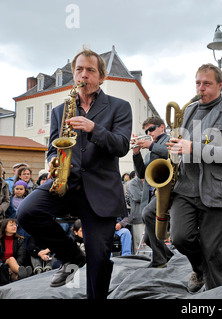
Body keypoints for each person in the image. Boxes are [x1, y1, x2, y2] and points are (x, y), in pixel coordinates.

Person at [17, 48, 132, 299]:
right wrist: (53, 164)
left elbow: (122, 145)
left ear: (102, 77)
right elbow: (51, 148)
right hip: (66, 183)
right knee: (27, 212)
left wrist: (94, 128)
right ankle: (71, 255)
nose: (84, 75)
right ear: (73, 73)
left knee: (99, 258)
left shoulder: (120, 107)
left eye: (90, 70)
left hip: (100, 189)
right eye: (79, 69)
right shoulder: (61, 110)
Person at [167, 63, 222, 292]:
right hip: (185, 188)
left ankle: (216, 296)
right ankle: (199, 269)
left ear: (220, 85)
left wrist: (193, 147)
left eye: (207, 83)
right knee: (180, 238)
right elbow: (179, 146)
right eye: (198, 83)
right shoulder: (189, 110)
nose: (201, 88)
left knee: (214, 252)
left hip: (216, 192)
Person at [132, 116, 173, 267]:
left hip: (166, 191)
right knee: (149, 239)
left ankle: (159, 260)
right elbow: (142, 173)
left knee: (148, 214)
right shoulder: (151, 149)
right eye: (146, 131)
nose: (149, 132)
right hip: (151, 194)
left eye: (151, 129)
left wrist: (150, 145)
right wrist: (136, 154)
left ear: (162, 127)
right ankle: (169, 257)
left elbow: (170, 152)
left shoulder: (169, 140)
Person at [0, 219, 32, 285]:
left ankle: (18, 276)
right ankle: (24, 273)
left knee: (13, 262)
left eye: (15, 225)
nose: (15, 227)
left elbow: (21, 255)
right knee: (11, 259)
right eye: (11, 225)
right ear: (5, 228)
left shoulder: (19, 240)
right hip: (2, 264)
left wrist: (13, 267)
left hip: (15, 264)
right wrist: (7, 267)